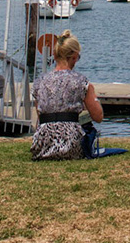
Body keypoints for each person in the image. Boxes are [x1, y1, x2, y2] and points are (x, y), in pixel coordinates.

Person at [30, 30, 122, 160]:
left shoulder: (39, 82)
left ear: (55, 56)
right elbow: (98, 116)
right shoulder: (81, 81)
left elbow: (40, 115)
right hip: (70, 144)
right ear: (74, 56)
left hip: (42, 145)